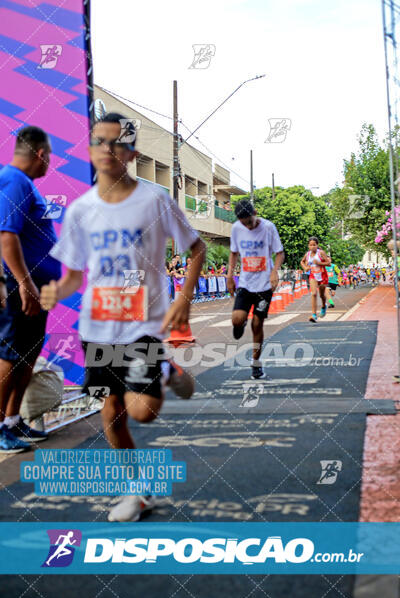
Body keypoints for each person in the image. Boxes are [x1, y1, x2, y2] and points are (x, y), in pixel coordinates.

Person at [40, 113, 206, 521]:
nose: (107, 150)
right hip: (97, 327)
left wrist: (184, 298)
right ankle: (136, 491)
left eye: (116, 143)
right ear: (91, 149)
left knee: (140, 412)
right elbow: (74, 274)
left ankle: (165, 371)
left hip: (142, 326)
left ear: (132, 152)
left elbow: (197, 248)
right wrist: (55, 292)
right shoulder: (80, 210)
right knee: (109, 412)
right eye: (100, 142)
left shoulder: (154, 201)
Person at [0, 126, 60, 453]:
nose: (49, 162)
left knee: (28, 354)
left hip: (38, 287)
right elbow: (6, 236)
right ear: (40, 154)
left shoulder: (25, 184)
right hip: (20, 286)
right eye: (48, 156)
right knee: (10, 354)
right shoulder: (13, 180)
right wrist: (24, 282)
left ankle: (12, 421)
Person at [227, 199, 284, 380]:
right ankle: (240, 323)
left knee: (257, 324)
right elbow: (234, 252)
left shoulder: (268, 227)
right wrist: (229, 276)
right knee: (237, 319)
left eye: (250, 222)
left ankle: (256, 363)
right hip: (245, 283)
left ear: (255, 213)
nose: (248, 227)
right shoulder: (236, 228)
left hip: (264, 285)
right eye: (244, 224)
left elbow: (279, 252)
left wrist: (275, 271)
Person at [300, 237, 331, 323]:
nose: (312, 246)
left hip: (322, 276)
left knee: (321, 295)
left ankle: (324, 306)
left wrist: (319, 263)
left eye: (314, 245)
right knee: (313, 293)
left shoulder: (321, 253)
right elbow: (302, 261)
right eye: (310, 245)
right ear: (308, 246)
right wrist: (305, 267)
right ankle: (314, 315)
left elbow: (328, 263)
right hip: (313, 275)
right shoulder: (307, 254)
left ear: (317, 245)